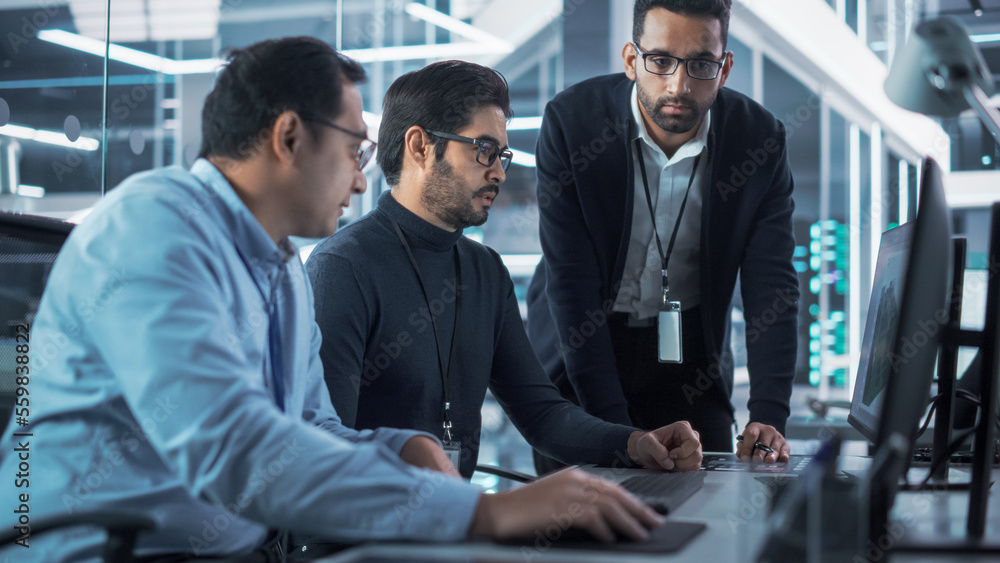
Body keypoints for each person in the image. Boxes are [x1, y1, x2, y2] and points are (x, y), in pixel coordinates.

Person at [0, 37, 670, 563]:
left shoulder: (280, 265)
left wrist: (399, 446)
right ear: (290, 137)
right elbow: (234, 449)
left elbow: (312, 427)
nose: (360, 176)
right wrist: (481, 512)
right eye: (354, 147)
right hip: (105, 547)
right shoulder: (154, 228)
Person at [305, 60, 702, 481]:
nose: (498, 172)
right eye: (484, 150)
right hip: (367, 537)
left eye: (502, 155)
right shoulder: (343, 269)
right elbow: (326, 454)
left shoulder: (485, 271)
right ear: (420, 146)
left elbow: (542, 415)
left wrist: (635, 443)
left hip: (450, 526)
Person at [526, 0, 799, 470]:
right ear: (632, 60)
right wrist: (619, 435)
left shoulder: (759, 141)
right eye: (660, 61)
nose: (679, 84)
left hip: (689, 359)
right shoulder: (572, 123)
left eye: (700, 65)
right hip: (582, 346)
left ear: (725, 67)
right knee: (587, 512)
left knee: (713, 499)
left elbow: (771, 285)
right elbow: (570, 283)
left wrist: (768, 415)